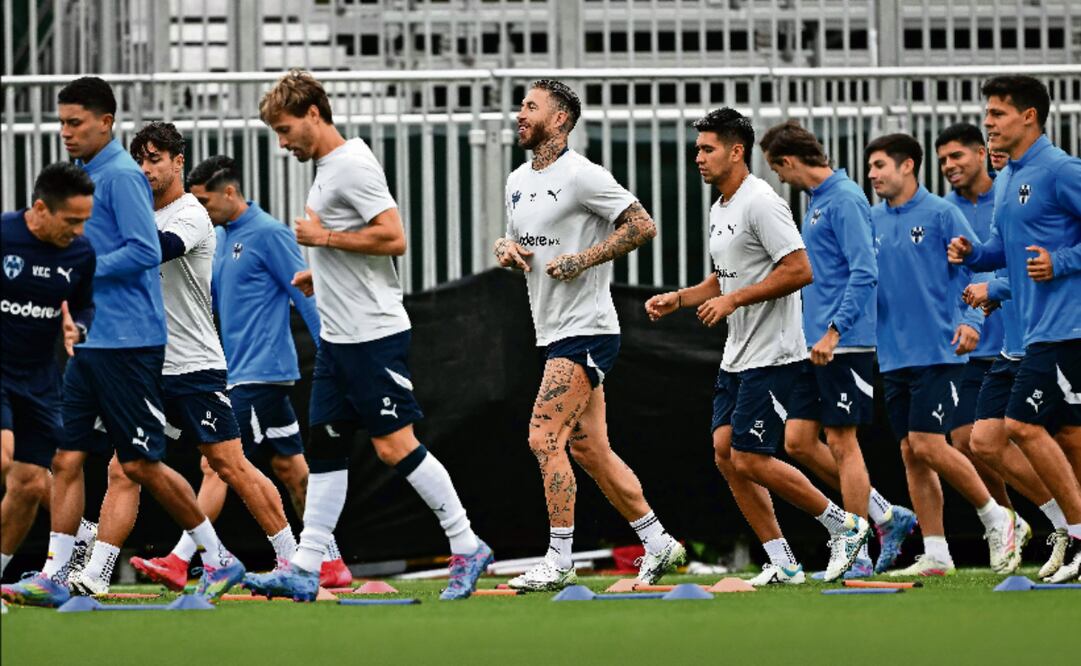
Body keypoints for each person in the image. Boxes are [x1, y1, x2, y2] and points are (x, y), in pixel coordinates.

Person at [244, 70, 490, 601]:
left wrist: (324, 240)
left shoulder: (351, 165)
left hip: (372, 336)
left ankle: (467, 545)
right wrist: (321, 270)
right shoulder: (329, 167)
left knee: (394, 446)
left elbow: (394, 237)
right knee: (327, 449)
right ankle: (306, 567)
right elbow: (356, 243)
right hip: (338, 339)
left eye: (285, 130)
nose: (282, 144)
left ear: (313, 114)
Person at [2, 77, 243, 608]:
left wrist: (78, 271)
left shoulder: (122, 178)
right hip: (91, 343)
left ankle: (219, 557)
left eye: (75, 122)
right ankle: (56, 572)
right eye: (61, 122)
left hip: (131, 343)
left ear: (105, 122)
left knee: (138, 465)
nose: (65, 132)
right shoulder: (84, 177)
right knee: (65, 458)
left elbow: (142, 251)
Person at [66, 122, 296, 596]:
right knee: (124, 467)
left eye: (156, 159)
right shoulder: (134, 213)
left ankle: (294, 561)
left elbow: (152, 252)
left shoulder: (191, 213)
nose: (147, 169)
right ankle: (95, 575)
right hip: (146, 364)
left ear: (178, 162)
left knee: (230, 465)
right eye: (140, 160)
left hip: (193, 365)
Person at [645, 108, 869, 585]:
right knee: (725, 453)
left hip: (775, 353)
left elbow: (800, 269)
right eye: (697, 149)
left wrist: (734, 300)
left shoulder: (762, 202)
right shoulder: (721, 207)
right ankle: (782, 561)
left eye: (707, 149)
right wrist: (680, 299)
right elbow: (726, 277)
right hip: (738, 354)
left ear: (736, 151)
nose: (698, 157)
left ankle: (845, 526)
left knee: (749, 455)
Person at [494, 79, 685, 591]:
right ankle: (659, 541)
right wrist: (505, 249)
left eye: (530, 107)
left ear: (559, 119)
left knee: (543, 437)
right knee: (590, 450)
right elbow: (516, 240)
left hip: (587, 329)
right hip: (552, 330)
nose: (520, 114)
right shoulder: (516, 179)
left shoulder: (583, 175)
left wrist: (584, 258)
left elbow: (642, 225)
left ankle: (559, 560)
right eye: (521, 106)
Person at [128, 154, 350, 590]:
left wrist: (331, 354)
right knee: (291, 468)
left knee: (217, 465)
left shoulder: (269, 234)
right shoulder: (216, 238)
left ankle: (181, 559)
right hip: (235, 369)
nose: (200, 209)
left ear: (230, 192)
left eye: (206, 201)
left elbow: (304, 293)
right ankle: (331, 561)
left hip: (260, 372)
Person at [758, 120, 918, 578]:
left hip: (842, 344)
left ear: (789, 161)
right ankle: (884, 514)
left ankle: (857, 551)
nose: (779, 178)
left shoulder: (845, 198)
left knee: (843, 442)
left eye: (777, 169)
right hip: (814, 343)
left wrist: (834, 331)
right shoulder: (819, 201)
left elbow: (865, 272)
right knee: (798, 441)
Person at [949, 75, 1081, 582]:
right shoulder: (1006, 177)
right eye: (987, 113)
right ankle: (1065, 525)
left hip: (1063, 328)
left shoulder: (1061, 169)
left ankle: (1077, 532)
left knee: (1030, 429)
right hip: (1021, 335)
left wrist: (1062, 261)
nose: (988, 122)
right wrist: (973, 256)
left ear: (1029, 117)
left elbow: (1054, 255)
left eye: (997, 113)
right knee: (983, 440)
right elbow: (1003, 252)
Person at [865, 132, 1016, 577]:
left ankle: (997, 516)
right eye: (869, 167)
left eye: (879, 165)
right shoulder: (872, 219)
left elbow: (976, 271)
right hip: (894, 355)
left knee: (930, 443)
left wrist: (972, 323)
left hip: (941, 351)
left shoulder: (942, 213)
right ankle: (937, 552)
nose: (872, 174)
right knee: (912, 452)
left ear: (907, 166)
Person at [0, 164, 95, 582]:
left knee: (28, 484)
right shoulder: (4, 234)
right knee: (2, 458)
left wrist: (80, 328)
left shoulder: (81, 253)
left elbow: (85, 305)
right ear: (40, 208)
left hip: (40, 379)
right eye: (71, 220)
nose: (79, 230)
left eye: (84, 220)